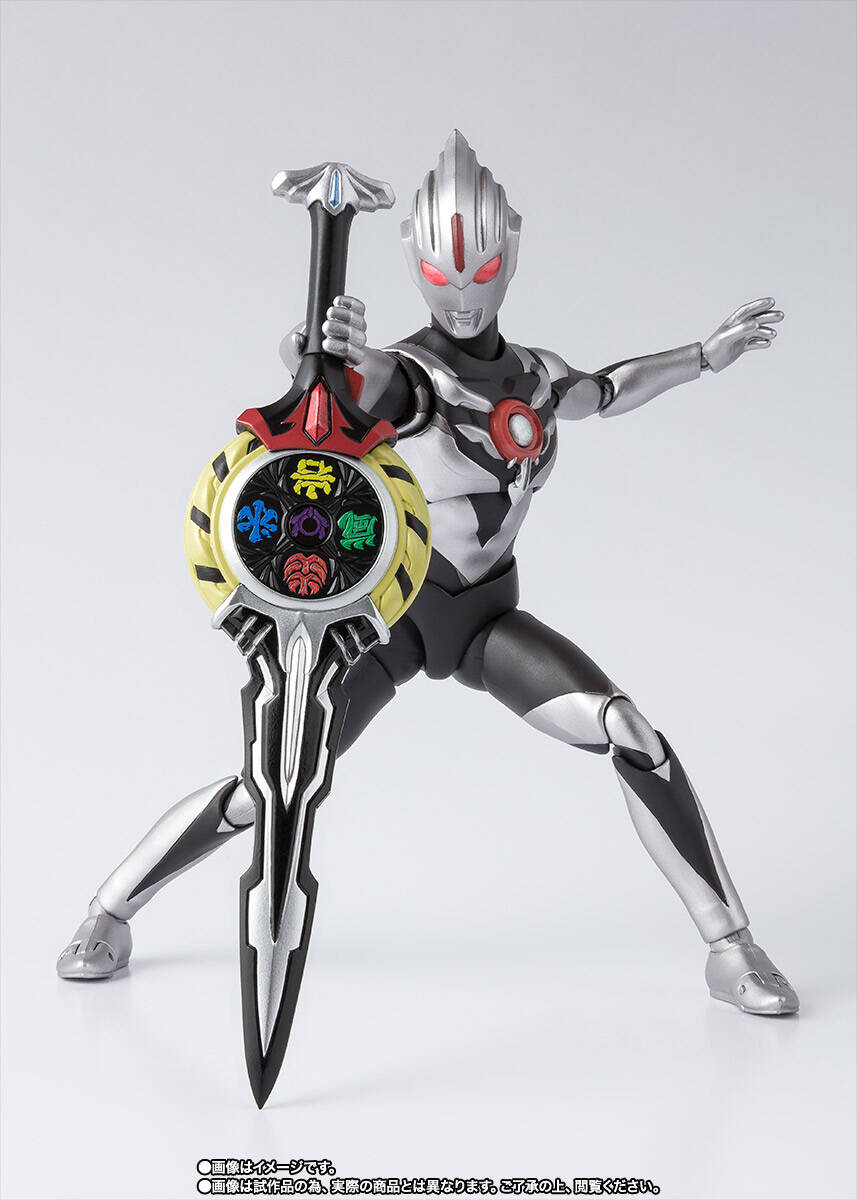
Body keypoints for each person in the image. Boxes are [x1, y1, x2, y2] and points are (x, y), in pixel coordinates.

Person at [57, 131, 797, 1016]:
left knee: (627, 731)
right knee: (271, 786)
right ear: (416, 263)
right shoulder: (412, 374)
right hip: (392, 622)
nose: (461, 294)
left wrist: (704, 356)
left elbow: (605, 390)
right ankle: (110, 908)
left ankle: (730, 947)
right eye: (442, 274)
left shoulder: (535, 374)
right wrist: (326, 354)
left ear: (508, 255)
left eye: (479, 271)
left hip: (487, 621)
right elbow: (369, 386)